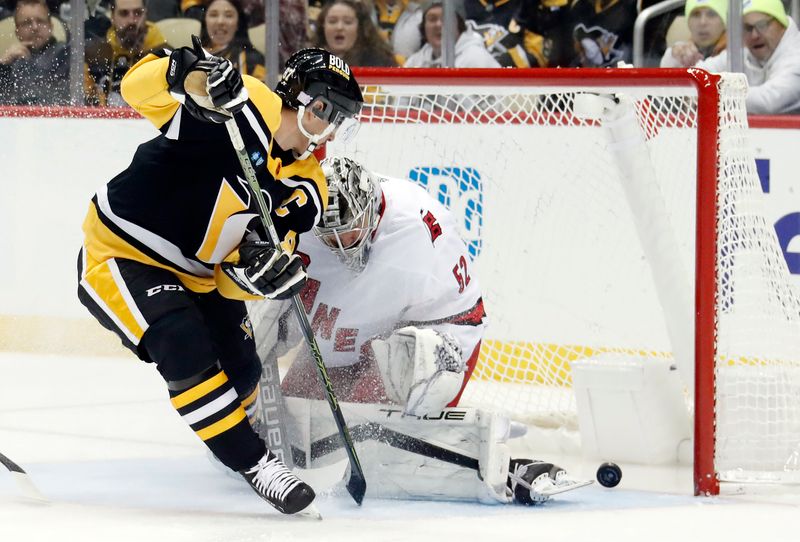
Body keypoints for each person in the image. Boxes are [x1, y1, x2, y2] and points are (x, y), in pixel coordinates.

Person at [76, 44, 364, 515]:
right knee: (181, 342)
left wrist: (261, 275)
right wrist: (191, 79)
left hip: (199, 276)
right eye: (322, 111)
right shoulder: (239, 103)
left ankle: (231, 433)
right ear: (293, 94)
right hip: (123, 251)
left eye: (340, 120)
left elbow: (236, 279)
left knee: (242, 370)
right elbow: (135, 88)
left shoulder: (307, 184)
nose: (327, 130)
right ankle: (256, 464)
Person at [258, 156, 580, 505]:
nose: (343, 244)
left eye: (350, 231)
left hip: (408, 345)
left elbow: (465, 316)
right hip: (345, 339)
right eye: (330, 238)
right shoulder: (297, 219)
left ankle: (493, 465)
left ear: (371, 205)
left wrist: (432, 367)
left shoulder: (422, 228)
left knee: (369, 431)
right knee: (298, 432)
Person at [695, 0, 800, 114]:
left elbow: (768, 102)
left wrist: (712, 91)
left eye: (762, 25)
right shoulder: (743, 55)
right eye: (747, 28)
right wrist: (675, 57)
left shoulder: (796, 57)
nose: (754, 35)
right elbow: (697, 73)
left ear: (781, 24)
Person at [86, 0, 169, 106]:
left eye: (138, 13)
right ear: (112, 16)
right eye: (124, 13)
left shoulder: (165, 57)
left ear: (145, 15)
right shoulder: (96, 54)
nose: (132, 21)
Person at [0, 0, 73, 104]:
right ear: (17, 32)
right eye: (26, 23)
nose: (34, 27)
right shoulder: (11, 62)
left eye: (40, 21)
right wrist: (3, 65)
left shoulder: (67, 55)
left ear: (51, 26)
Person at [403, 0, 500, 68]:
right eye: (432, 19)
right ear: (424, 26)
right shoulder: (415, 62)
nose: (438, 24)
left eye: (446, 18)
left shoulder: (477, 60)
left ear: (459, 24)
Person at [314, 0, 399, 67]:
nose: (339, 27)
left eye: (348, 22)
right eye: (332, 21)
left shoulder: (379, 62)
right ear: (323, 26)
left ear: (360, 28)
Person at [200, 0, 265, 80]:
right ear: (205, 21)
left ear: (238, 23)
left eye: (228, 15)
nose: (220, 21)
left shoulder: (253, 60)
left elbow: (261, 90)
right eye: (213, 15)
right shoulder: (194, 58)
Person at [660, 0, 727, 68]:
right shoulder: (679, 52)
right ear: (688, 22)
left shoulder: (733, 56)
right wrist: (673, 58)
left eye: (711, 14)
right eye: (696, 14)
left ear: (725, 22)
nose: (702, 22)